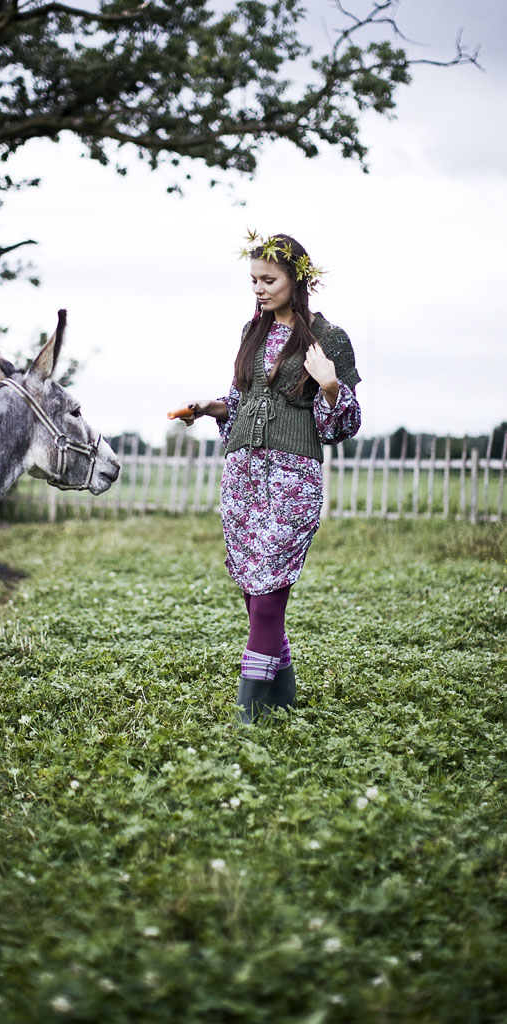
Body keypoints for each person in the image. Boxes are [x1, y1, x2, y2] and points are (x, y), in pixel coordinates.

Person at [176, 232, 361, 723]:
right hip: (242, 474)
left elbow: (341, 425)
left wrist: (330, 385)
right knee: (252, 593)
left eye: (268, 279)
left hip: (291, 477)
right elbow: (241, 402)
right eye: (253, 280)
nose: (258, 288)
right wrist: (207, 408)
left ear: (297, 279)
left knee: (267, 598)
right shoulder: (251, 332)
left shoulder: (330, 339)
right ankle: (281, 695)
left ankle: (248, 712)